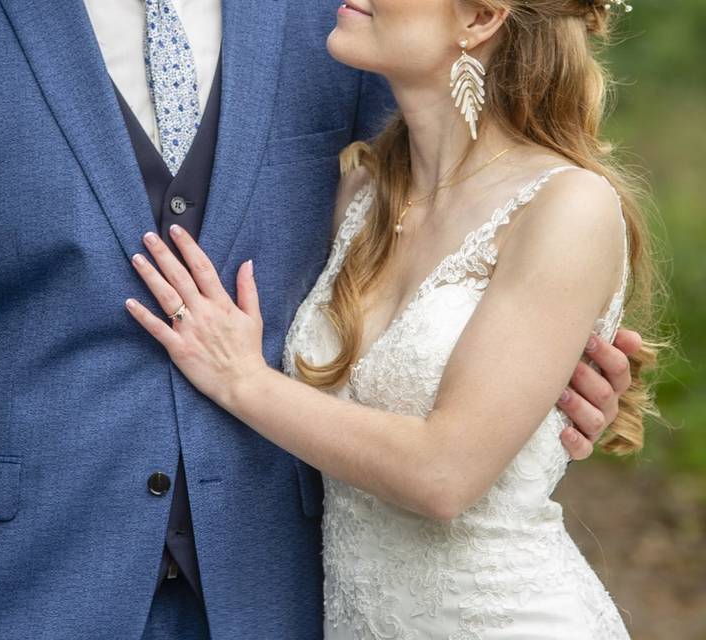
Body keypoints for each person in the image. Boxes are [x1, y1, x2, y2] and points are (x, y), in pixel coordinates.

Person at [0, 0, 640, 638]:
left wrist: (562, 359)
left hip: (274, 592)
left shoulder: (335, 26)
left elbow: (480, 198)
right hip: (1, 591)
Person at [122, 0, 658, 638]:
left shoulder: (567, 205)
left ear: (481, 18)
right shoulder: (364, 199)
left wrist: (243, 379)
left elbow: (444, 475)